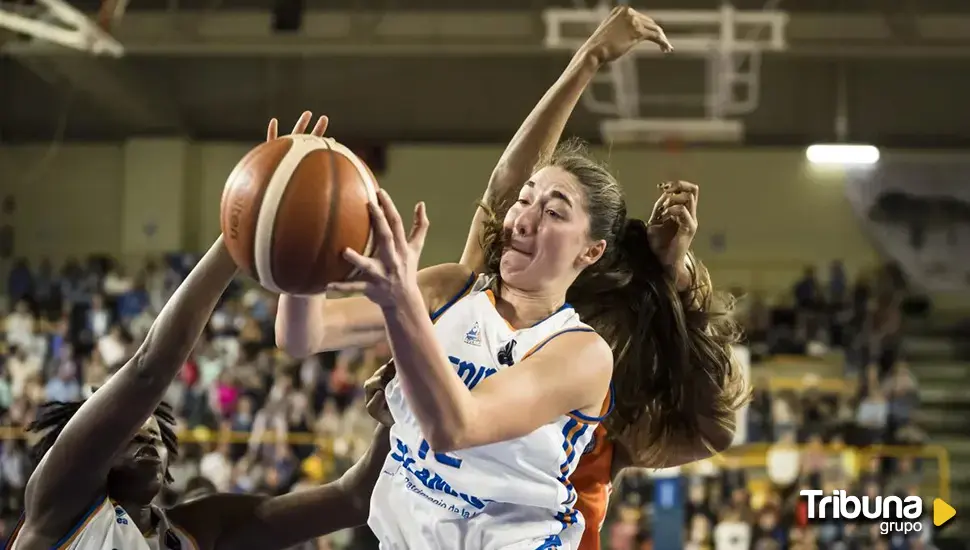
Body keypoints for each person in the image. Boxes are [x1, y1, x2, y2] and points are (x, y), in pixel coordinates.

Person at [277, 8, 745, 549]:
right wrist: (297, 240)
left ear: (590, 254)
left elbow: (457, 425)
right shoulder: (462, 288)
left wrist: (679, 276)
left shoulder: (591, 362)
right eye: (527, 203)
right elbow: (301, 335)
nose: (523, 215)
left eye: (553, 211)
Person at [6, 113, 391, 550]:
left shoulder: (199, 529)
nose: (148, 440)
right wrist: (243, 228)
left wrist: (394, 417)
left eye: (154, 434)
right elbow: (148, 370)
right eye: (132, 434)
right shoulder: (60, 504)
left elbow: (351, 498)